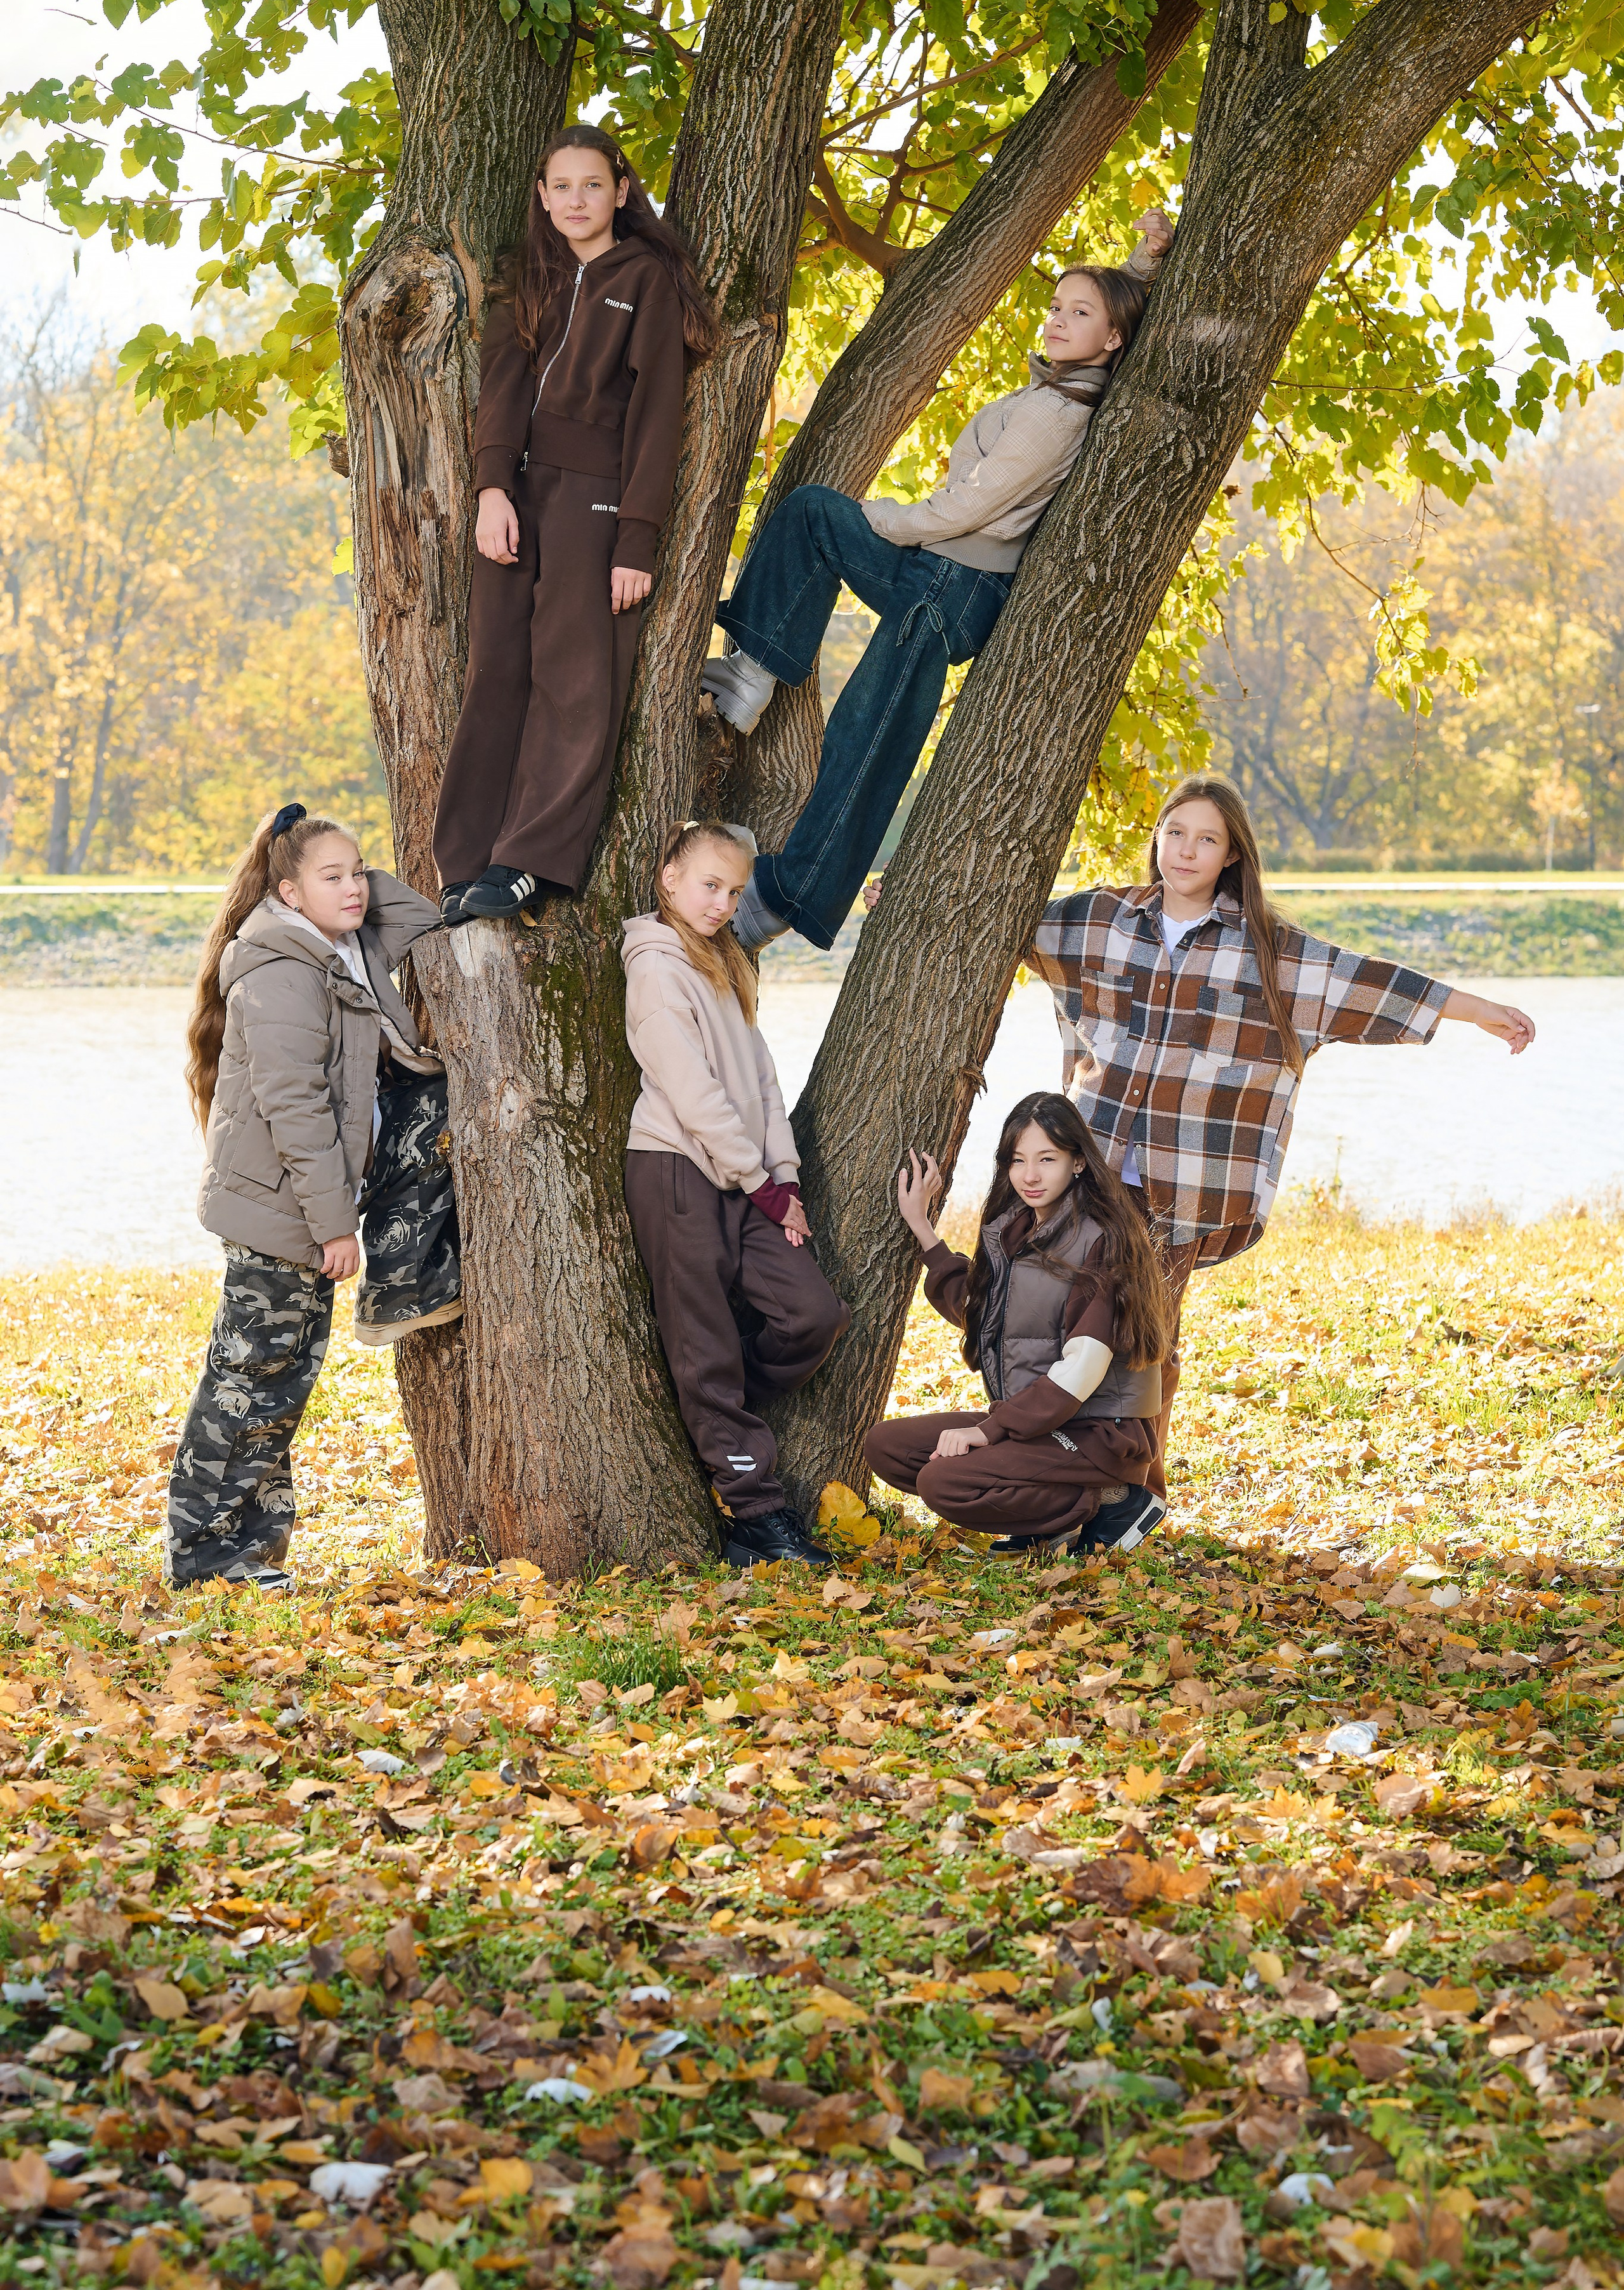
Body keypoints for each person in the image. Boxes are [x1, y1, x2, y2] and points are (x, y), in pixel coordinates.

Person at [1030, 771, 1537, 1479]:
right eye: (1175, 832)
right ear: (1157, 837)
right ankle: (1054, 1478)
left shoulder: (1268, 949)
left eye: (1206, 839)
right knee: (1065, 1331)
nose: (1185, 850)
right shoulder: (1098, 919)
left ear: (1231, 854)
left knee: (1151, 1342)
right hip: (1091, 1172)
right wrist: (905, 896)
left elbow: (1363, 982)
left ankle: (1140, 1486)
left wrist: (1478, 1011)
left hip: (1183, 1188)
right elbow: (1002, 923)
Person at [704, 213, 1173, 953]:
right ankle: (752, 671)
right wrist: (1144, 260)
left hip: (953, 587)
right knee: (813, 514)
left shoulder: (1056, 413)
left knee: (868, 737)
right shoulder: (1061, 386)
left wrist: (886, 518)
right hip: (937, 572)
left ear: (1110, 339)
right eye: (1055, 305)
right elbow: (1120, 306)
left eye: (1078, 314)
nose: (1058, 318)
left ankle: (787, 893)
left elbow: (968, 507)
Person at [171, 805, 460, 1590]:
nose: (357, 887)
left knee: (281, 1386)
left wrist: (335, 872)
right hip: (281, 1208)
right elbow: (293, 1108)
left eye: (359, 869)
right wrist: (335, 1229)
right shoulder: (279, 968)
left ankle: (251, 1556)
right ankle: (204, 1557)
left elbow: (422, 916)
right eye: (333, 876)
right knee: (245, 1382)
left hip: (311, 1200)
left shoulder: (343, 944)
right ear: (288, 893)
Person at [435, 126, 717, 925]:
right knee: (495, 670)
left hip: (596, 495)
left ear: (622, 191)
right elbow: (500, 389)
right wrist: (492, 489)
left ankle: (530, 860)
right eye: (560, 186)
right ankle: (466, 859)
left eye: (592, 185)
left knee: (576, 680)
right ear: (542, 195)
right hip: (518, 493)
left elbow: (658, 416)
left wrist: (635, 540)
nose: (576, 201)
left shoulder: (647, 279)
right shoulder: (528, 279)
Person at [622, 820, 851, 1568]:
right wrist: (760, 1185)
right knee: (704, 1338)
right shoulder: (655, 967)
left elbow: (758, 1081)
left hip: (748, 1178)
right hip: (677, 1170)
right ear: (669, 878)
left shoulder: (724, 963)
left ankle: (711, 1401)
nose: (721, 903)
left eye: (733, 891)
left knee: (812, 1313)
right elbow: (691, 1092)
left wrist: (783, 1175)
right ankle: (755, 1516)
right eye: (708, 885)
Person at [866, 1093, 1171, 1555]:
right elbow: (981, 1314)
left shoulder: (1103, 1240)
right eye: (1018, 1160)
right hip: (1040, 1425)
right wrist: (922, 1228)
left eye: (1047, 1159)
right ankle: (1048, 1519)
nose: (1030, 1175)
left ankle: (1111, 1502)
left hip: (1099, 1433)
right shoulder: (1014, 1230)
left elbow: (1082, 1368)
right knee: (889, 1447)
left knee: (942, 1481)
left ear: (1078, 1162)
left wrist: (988, 1431)